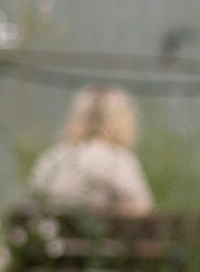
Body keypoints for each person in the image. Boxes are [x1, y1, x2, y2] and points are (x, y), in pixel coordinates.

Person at [25, 85, 156, 217]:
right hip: (97, 236)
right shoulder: (117, 160)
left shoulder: (54, 156)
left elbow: (31, 199)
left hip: (50, 235)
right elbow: (143, 210)